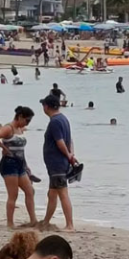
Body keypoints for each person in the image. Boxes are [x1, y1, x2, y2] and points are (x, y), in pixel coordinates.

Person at [0, 106, 38, 229]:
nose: (27, 123)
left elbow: (21, 151)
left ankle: (33, 220)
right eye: (27, 120)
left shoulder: (20, 129)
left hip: (20, 164)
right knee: (13, 195)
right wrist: (4, 148)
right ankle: (10, 223)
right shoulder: (8, 128)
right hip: (9, 164)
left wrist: (26, 166)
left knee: (30, 191)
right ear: (20, 116)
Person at [39, 95, 77, 232]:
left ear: (47, 107)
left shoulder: (55, 121)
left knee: (62, 192)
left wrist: (68, 155)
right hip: (58, 163)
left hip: (57, 163)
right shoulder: (64, 119)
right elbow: (70, 140)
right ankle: (46, 221)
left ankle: (70, 225)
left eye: (43, 105)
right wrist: (71, 155)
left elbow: (60, 142)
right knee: (52, 194)